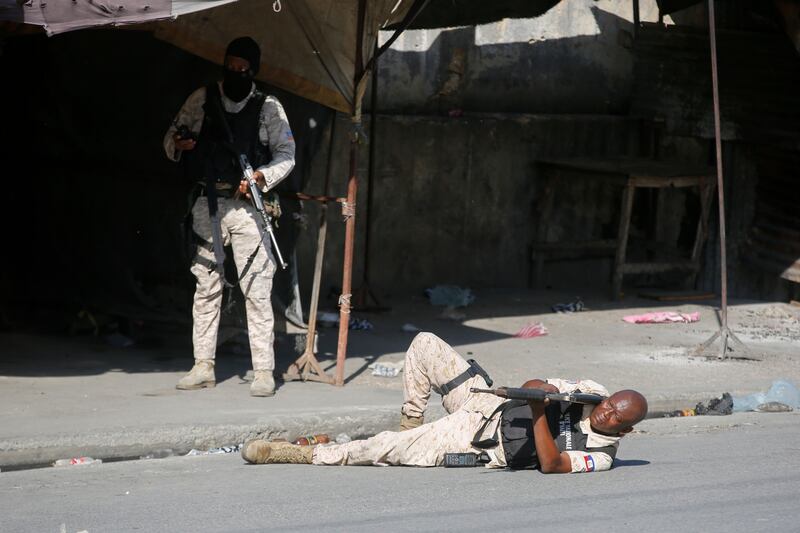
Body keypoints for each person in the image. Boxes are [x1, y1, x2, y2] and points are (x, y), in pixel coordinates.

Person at [241, 332, 648, 471]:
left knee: (379, 449)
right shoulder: (592, 390)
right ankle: (412, 428)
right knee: (424, 345)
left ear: (624, 431)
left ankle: (294, 455)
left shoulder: (601, 454)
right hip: (487, 403)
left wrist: (541, 408)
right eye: (610, 403)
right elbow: (534, 383)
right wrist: (547, 393)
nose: (605, 411)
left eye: (614, 416)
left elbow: (552, 464)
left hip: (476, 441)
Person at [163, 36, 295, 397]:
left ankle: (264, 370)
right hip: (209, 204)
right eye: (231, 66)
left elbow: (286, 154)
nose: (236, 73)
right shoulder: (202, 98)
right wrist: (180, 143)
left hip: (248, 208)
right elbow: (171, 138)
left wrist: (261, 177)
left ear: (253, 70)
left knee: (257, 288)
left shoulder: (268, 107)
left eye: (243, 69)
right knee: (206, 288)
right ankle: (203, 365)